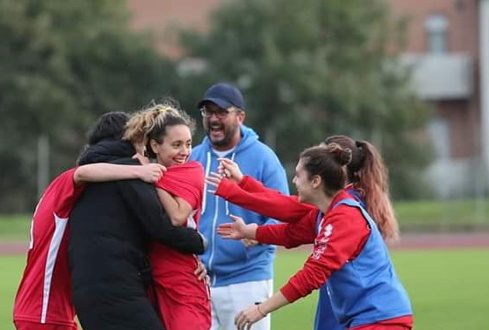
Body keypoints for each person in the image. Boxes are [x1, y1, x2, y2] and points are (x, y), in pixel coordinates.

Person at [208, 143, 413, 329]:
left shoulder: (345, 217)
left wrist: (261, 309)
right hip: (366, 318)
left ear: (316, 181)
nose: (294, 180)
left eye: (298, 175)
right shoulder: (325, 213)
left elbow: (312, 274)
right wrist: (249, 231)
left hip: (380, 318)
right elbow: (290, 234)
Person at [12, 112, 168, 330]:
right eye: (139, 143)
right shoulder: (66, 182)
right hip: (45, 312)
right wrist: (139, 171)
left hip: (53, 311)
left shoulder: (69, 194)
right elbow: (82, 173)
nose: (142, 151)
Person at [68, 112, 207, 329]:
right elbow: (161, 226)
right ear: (132, 138)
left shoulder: (89, 178)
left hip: (83, 294)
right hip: (119, 288)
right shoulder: (130, 172)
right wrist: (200, 244)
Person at [190, 82, 289, 330]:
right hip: (199, 279)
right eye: (208, 112)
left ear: (240, 116)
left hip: (247, 279)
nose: (213, 119)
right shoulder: (193, 157)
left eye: (221, 113)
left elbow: (284, 213)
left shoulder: (264, 158)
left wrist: (258, 234)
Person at [123, 104, 210, 329]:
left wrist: (152, 178)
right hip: (154, 281)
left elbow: (177, 217)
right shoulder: (145, 172)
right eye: (176, 145)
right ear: (155, 145)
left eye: (188, 144)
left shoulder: (192, 171)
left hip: (183, 280)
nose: (185, 151)